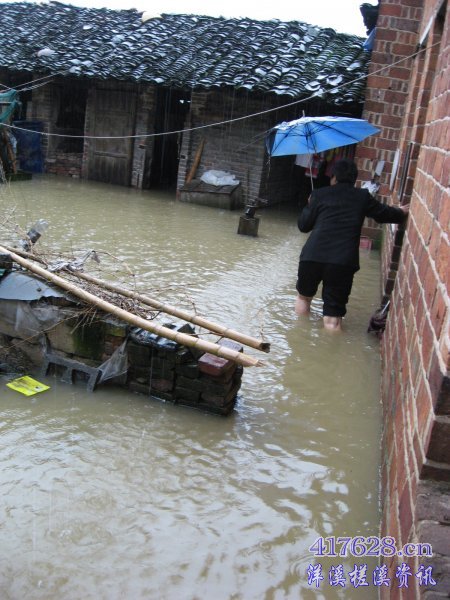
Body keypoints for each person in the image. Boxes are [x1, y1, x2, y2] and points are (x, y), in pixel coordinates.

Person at [295, 158, 409, 331]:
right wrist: (401, 211)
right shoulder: (362, 196)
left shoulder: (319, 194)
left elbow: (303, 226)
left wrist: (309, 205)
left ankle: (299, 336)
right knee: (332, 318)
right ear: (354, 179)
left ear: (333, 177)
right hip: (342, 262)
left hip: (312, 257)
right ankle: (331, 346)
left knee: (303, 298)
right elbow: (384, 214)